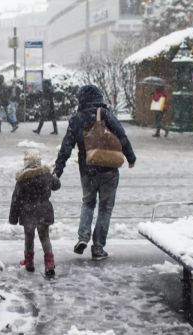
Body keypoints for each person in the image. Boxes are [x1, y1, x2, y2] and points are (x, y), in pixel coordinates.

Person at [53, 85, 136, 261]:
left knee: (88, 203)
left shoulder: (76, 119)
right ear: (98, 97)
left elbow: (65, 147)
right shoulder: (104, 114)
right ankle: (98, 247)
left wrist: (57, 171)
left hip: (87, 169)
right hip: (109, 169)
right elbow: (122, 135)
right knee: (105, 208)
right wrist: (130, 157)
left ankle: (83, 237)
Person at [9, 149, 61, 277]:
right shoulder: (47, 175)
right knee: (45, 238)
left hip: (27, 213)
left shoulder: (22, 179)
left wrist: (13, 218)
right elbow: (57, 185)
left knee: (29, 238)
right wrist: (53, 175)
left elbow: (15, 199)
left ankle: (29, 262)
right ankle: (49, 264)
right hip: (44, 211)